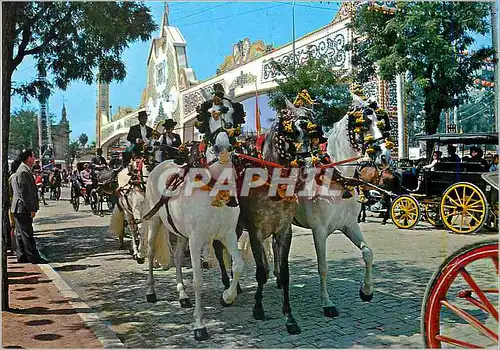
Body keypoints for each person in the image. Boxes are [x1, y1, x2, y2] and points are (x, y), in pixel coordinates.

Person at [10, 149, 48, 264]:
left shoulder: (23, 170)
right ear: (28, 158)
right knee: (27, 234)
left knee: (21, 234)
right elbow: (25, 193)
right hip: (22, 208)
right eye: (33, 156)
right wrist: (31, 209)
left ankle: (22, 256)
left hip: (19, 207)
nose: (34, 158)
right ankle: (33, 257)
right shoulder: (23, 172)